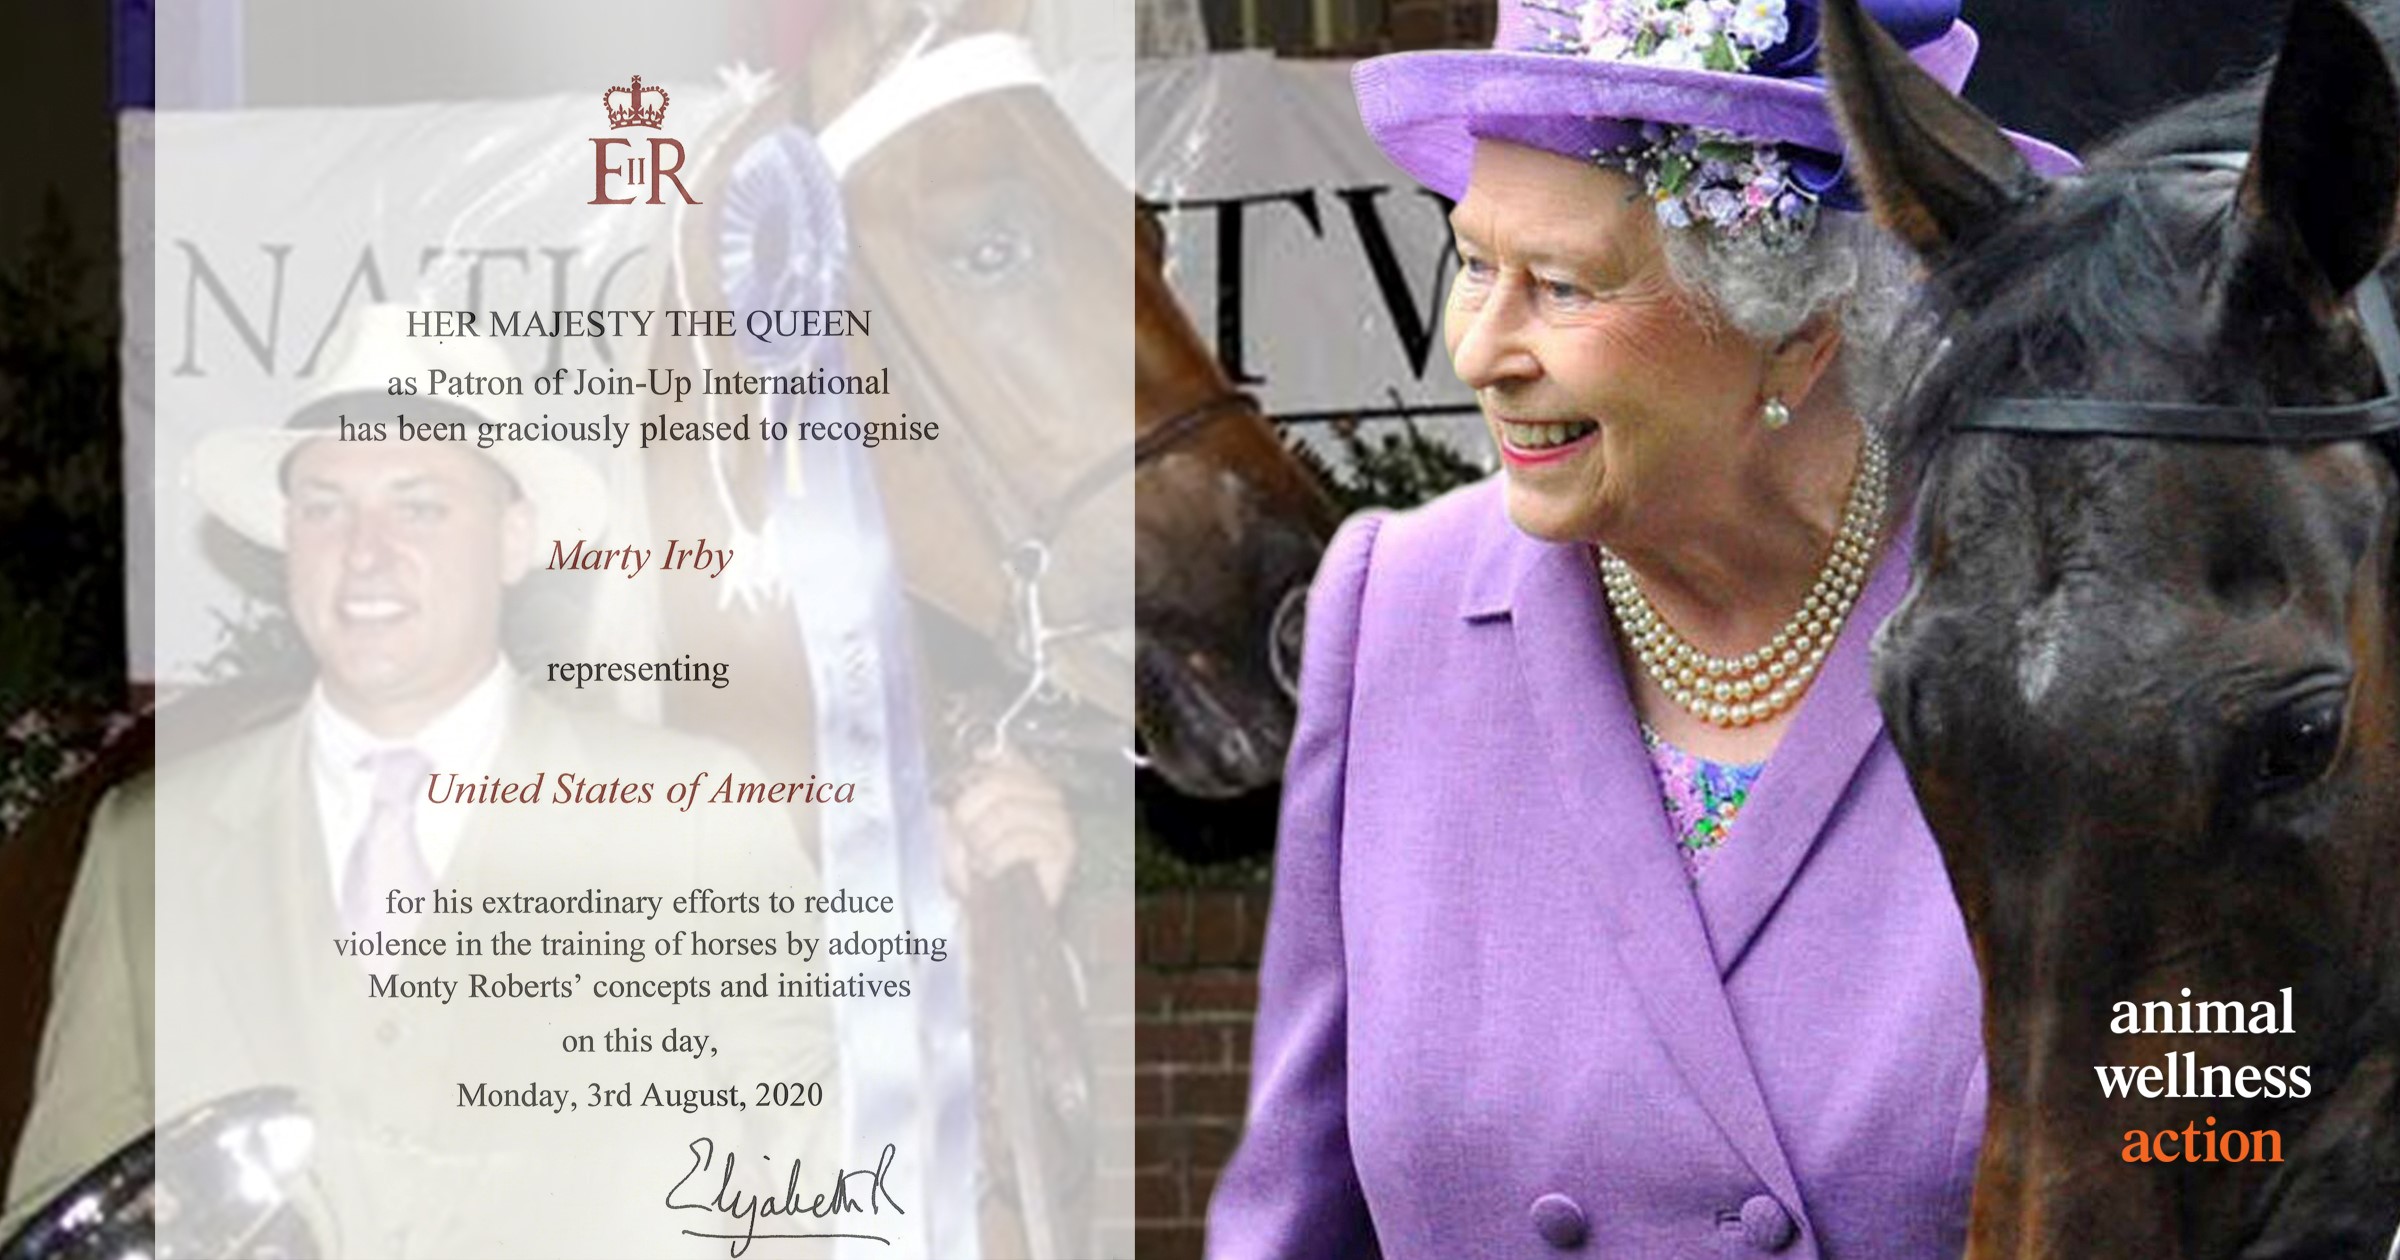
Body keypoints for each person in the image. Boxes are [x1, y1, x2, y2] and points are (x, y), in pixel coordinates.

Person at [1205, 2, 2076, 1256]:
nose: (1480, 350)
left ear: (1794, 337)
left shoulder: (2049, 634)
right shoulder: (1389, 613)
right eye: (1472, 263)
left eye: (1559, 286)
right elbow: (1294, 1217)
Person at [0, 307, 843, 1255]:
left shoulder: (692, 822)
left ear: (515, 539)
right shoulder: (143, 846)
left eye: (420, 504)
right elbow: (63, 1215)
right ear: (286, 539)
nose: (365, 551)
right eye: (326, 505)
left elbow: (813, 1176)